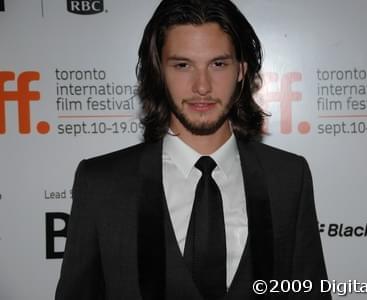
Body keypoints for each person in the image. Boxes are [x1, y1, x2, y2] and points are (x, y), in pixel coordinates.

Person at [55, 0, 331, 299]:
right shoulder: (102, 183)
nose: (202, 86)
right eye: (183, 65)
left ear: (241, 70)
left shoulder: (288, 178)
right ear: (159, 71)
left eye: (218, 64)